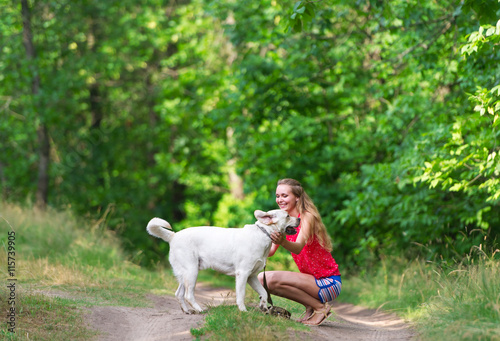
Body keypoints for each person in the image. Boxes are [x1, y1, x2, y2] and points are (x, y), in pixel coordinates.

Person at [258, 178, 341, 326]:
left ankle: (320, 308)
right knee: (262, 279)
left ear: (297, 197)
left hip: (328, 282)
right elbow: (270, 251)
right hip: (312, 282)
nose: (280, 200)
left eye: (285, 196)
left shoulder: (307, 216)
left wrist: (282, 241)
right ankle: (310, 306)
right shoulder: (283, 220)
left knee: (268, 278)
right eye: (277, 196)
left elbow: (298, 246)